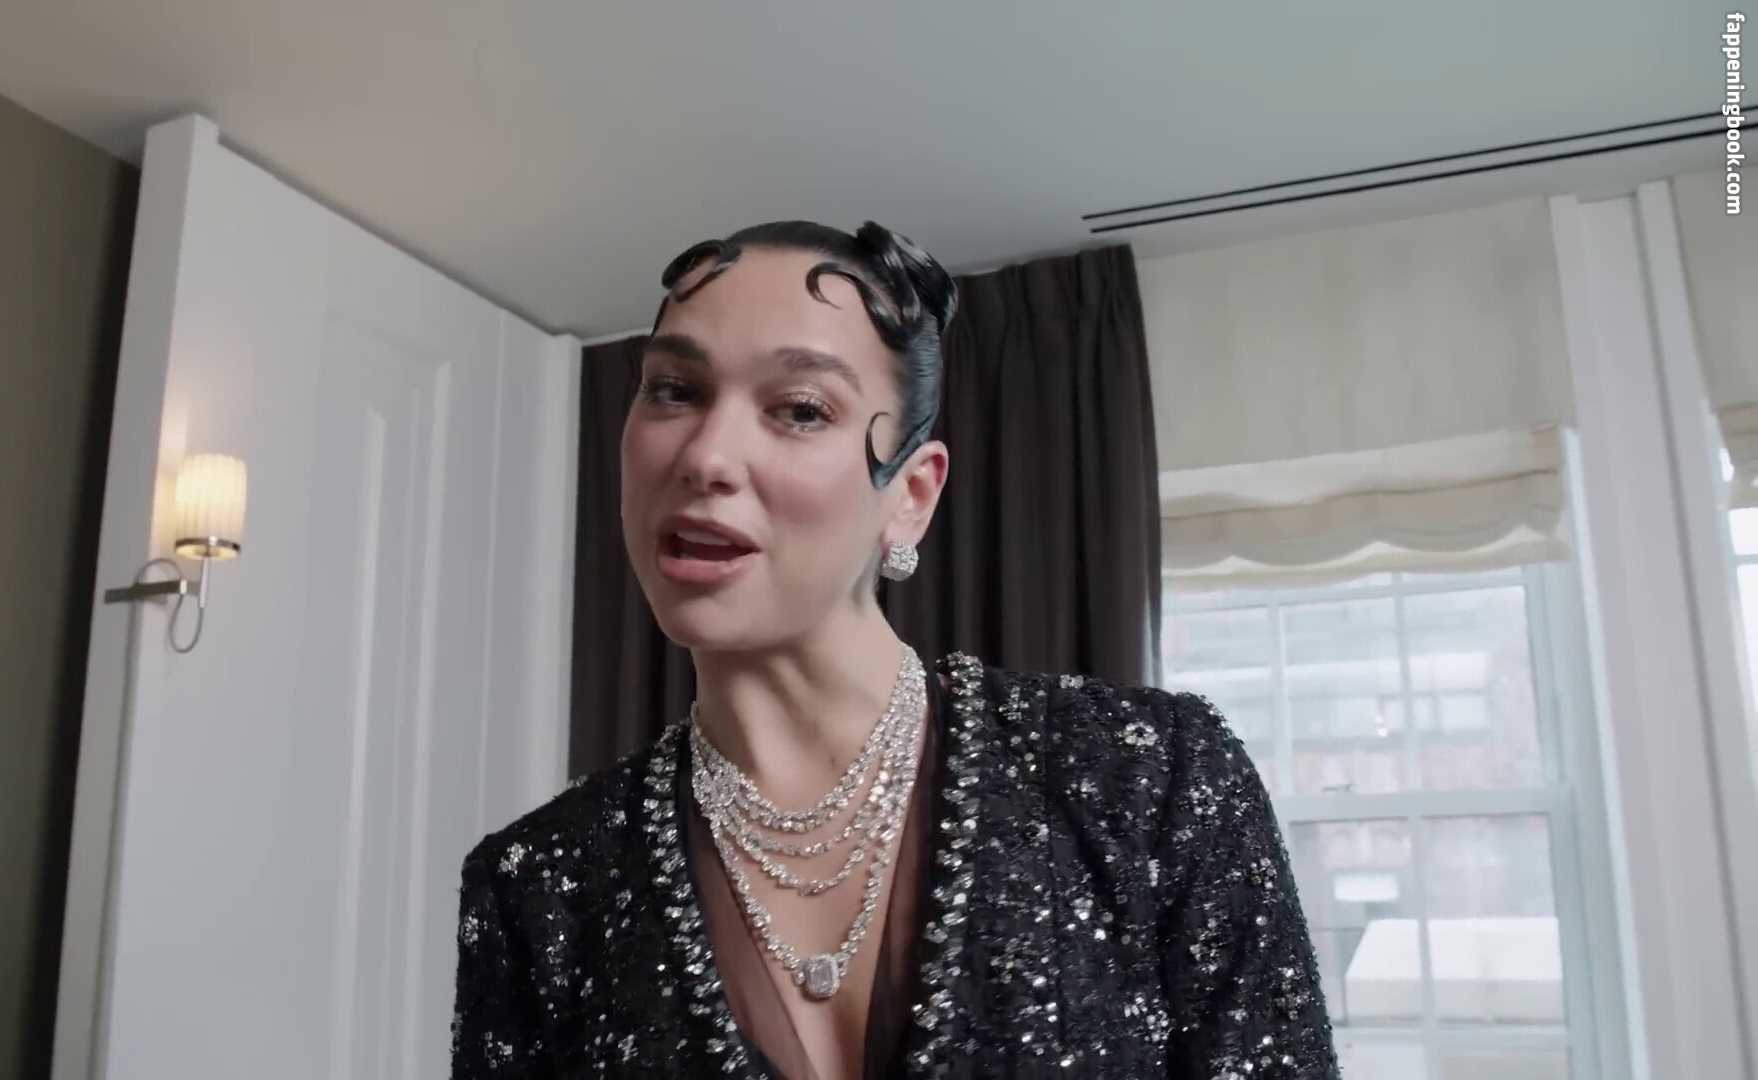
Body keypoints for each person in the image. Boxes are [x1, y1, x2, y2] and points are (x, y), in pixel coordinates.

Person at [450, 221, 1337, 1079]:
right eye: (675, 390)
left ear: (910, 495)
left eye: (800, 409)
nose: (707, 456)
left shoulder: (1149, 779)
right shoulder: (540, 883)